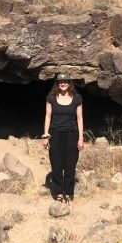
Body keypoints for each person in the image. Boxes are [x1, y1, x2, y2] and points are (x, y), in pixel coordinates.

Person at [42, 73, 84, 205]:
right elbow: (48, 117)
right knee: (56, 165)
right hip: (55, 134)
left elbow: (80, 118)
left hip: (72, 134)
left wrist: (81, 138)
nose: (63, 83)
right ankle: (59, 193)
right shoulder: (51, 98)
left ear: (69, 83)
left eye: (65, 81)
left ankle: (70, 194)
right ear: (57, 83)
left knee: (70, 165)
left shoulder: (77, 98)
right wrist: (45, 135)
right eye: (60, 81)